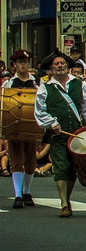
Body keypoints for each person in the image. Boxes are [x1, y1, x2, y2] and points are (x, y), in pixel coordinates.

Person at [34, 51, 86, 217]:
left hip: (77, 132)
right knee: (61, 166)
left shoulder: (79, 84)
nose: (59, 66)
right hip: (57, 134)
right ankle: (64, 203)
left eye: (62, 64)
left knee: (73, 167)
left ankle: (67, 198)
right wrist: (52, 123)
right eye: (56, 64)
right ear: (51, 68)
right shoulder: (45, 87)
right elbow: (40, 111)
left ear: (67, 66)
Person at [5, 50, 39, 209]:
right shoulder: (9, 84)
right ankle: (18, 194)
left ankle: (27, 191)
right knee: (17, 159)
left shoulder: (37, 82)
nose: (23, 64)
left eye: (25, 61)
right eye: (20, 62)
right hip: (14, 126)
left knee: (31, 160)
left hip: (32, 125)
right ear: (14, 65)